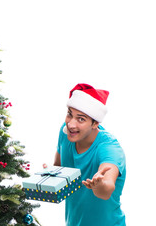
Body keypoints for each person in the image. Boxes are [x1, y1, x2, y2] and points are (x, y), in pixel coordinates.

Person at [54, 83, 126, 226]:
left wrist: (99, 185)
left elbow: (106, 190)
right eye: (70, 114)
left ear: (95, 123)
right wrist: (50, 174)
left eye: (81, 119)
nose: (71, 124)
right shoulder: (65, 132)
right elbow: (58, 166)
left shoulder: (109, 147)